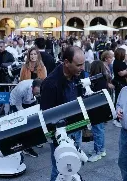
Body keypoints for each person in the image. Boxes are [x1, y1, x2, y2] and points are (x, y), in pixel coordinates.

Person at [40, 46, 86, 181]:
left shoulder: (77, 74)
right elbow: (47, 115)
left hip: (75, 128)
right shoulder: (51, 83)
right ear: (66, 62)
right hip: (60, 134)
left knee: (74, 166)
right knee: (60, 169)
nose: (82, 68)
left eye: (83, 64)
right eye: (79, 65)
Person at [9, 78, 42, 157]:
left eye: (39, 93)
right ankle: (26, 147)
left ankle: (33, 140)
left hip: (30, 101)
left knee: (35, 121)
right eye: (36, 92)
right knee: (23, 124)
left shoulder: (40, 89)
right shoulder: (22, 89)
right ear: (32, 88)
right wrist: (25, 116)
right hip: (16, 102)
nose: (38, 94)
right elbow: (18, 105)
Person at [88, 60, 108, 162]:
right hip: (102, 108)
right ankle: (101, 149)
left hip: (97, 109)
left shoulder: (97, 81)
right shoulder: (103, 79)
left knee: (98, 130)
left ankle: (98, 151)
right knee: (100, 130)